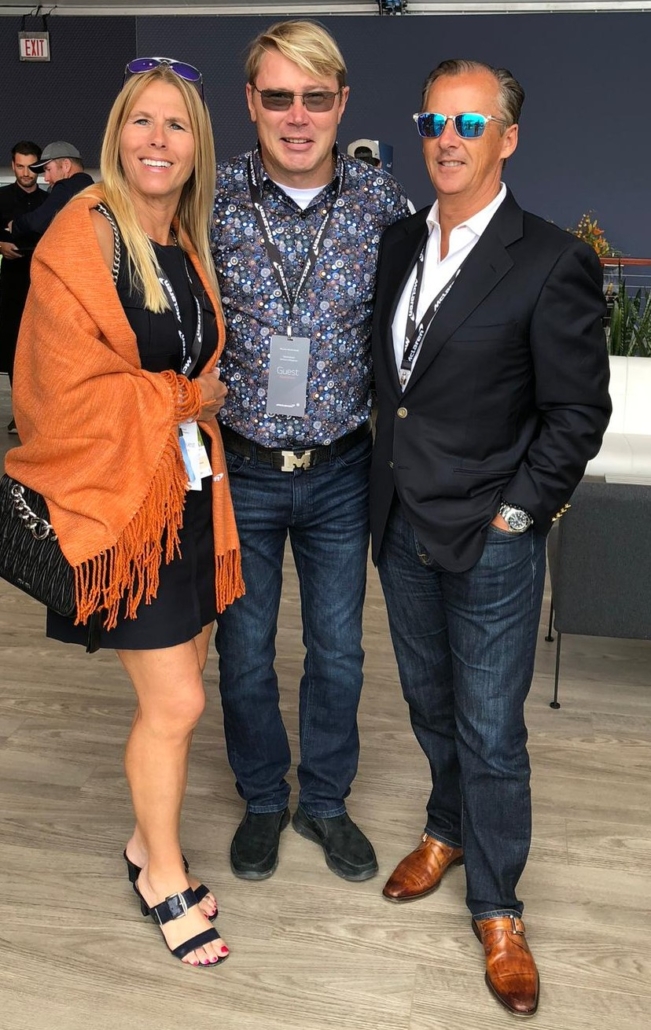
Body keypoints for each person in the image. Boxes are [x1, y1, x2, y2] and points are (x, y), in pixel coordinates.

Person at [370, 59, 611, 1016]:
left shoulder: (549, 258)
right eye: (434, 120)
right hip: (402, 524)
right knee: (429, 702)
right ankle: (446, 827)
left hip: (491, 536)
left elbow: (576, 412)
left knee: (490, 729)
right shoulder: (398, 242)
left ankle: (498, 905)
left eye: (470, 124)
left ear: (506, 139)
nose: (447, 138)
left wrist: (518, 512)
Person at [5, 57, 244, 968]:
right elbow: (57, 391)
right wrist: (184, 399)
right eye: (142, 120)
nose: (158, 139)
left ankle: (147, 841)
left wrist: (189, 402)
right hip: (121, 505)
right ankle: (163, 877)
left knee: (183, 687)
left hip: (186, 500)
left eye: (176, 125)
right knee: (178, 702)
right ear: (117, 135)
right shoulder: (85, 232)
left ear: (196, 146)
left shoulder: (181, 237)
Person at [211, 20, 411, 883]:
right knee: (243, 652)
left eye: (316, 98)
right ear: (251, 103)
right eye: (279, 97)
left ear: (341, 104)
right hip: (241, 468)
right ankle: (263, 797)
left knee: (337, 653)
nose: (298, 117)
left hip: (339, 471)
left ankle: (323, 801)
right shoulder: (213, 198)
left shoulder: (382, 203)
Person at [0, 141, 47, 433]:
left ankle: (40, 414)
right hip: (13, 283)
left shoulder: (50, 201)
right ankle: (20, 414)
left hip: (44, 285)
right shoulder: (2, 197)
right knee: (13, 346)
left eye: (31, 167)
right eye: (20, 166)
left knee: (42, 348)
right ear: (13, 166)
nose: (26, 173)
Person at [7, 140, 94, 249]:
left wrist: (15, 225)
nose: (46, 178)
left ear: (66, 165)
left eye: (48, 169)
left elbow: (39, 221)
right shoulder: (90, 187)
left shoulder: (66, 187)